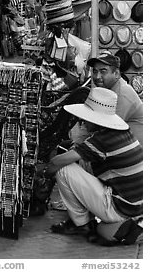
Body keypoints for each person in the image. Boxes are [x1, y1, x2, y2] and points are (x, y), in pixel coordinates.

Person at [38, 87, 143, 245]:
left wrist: (44, 174)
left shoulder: (102, 139)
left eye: (86, 118)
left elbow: (56, 162)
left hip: (121, 208)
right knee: (81, 161)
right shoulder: (122, 132)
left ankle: (81, 224)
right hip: (136, 205)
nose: (83, 122)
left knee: (64, 169)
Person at [87, 52, 143, 146]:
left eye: (103, 71)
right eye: (95, 71)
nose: (97, 76)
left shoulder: (122, 94)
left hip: (135, 154)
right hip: (123, 146)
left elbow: (108, 131)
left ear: (116, 73)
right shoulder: (108, 91)